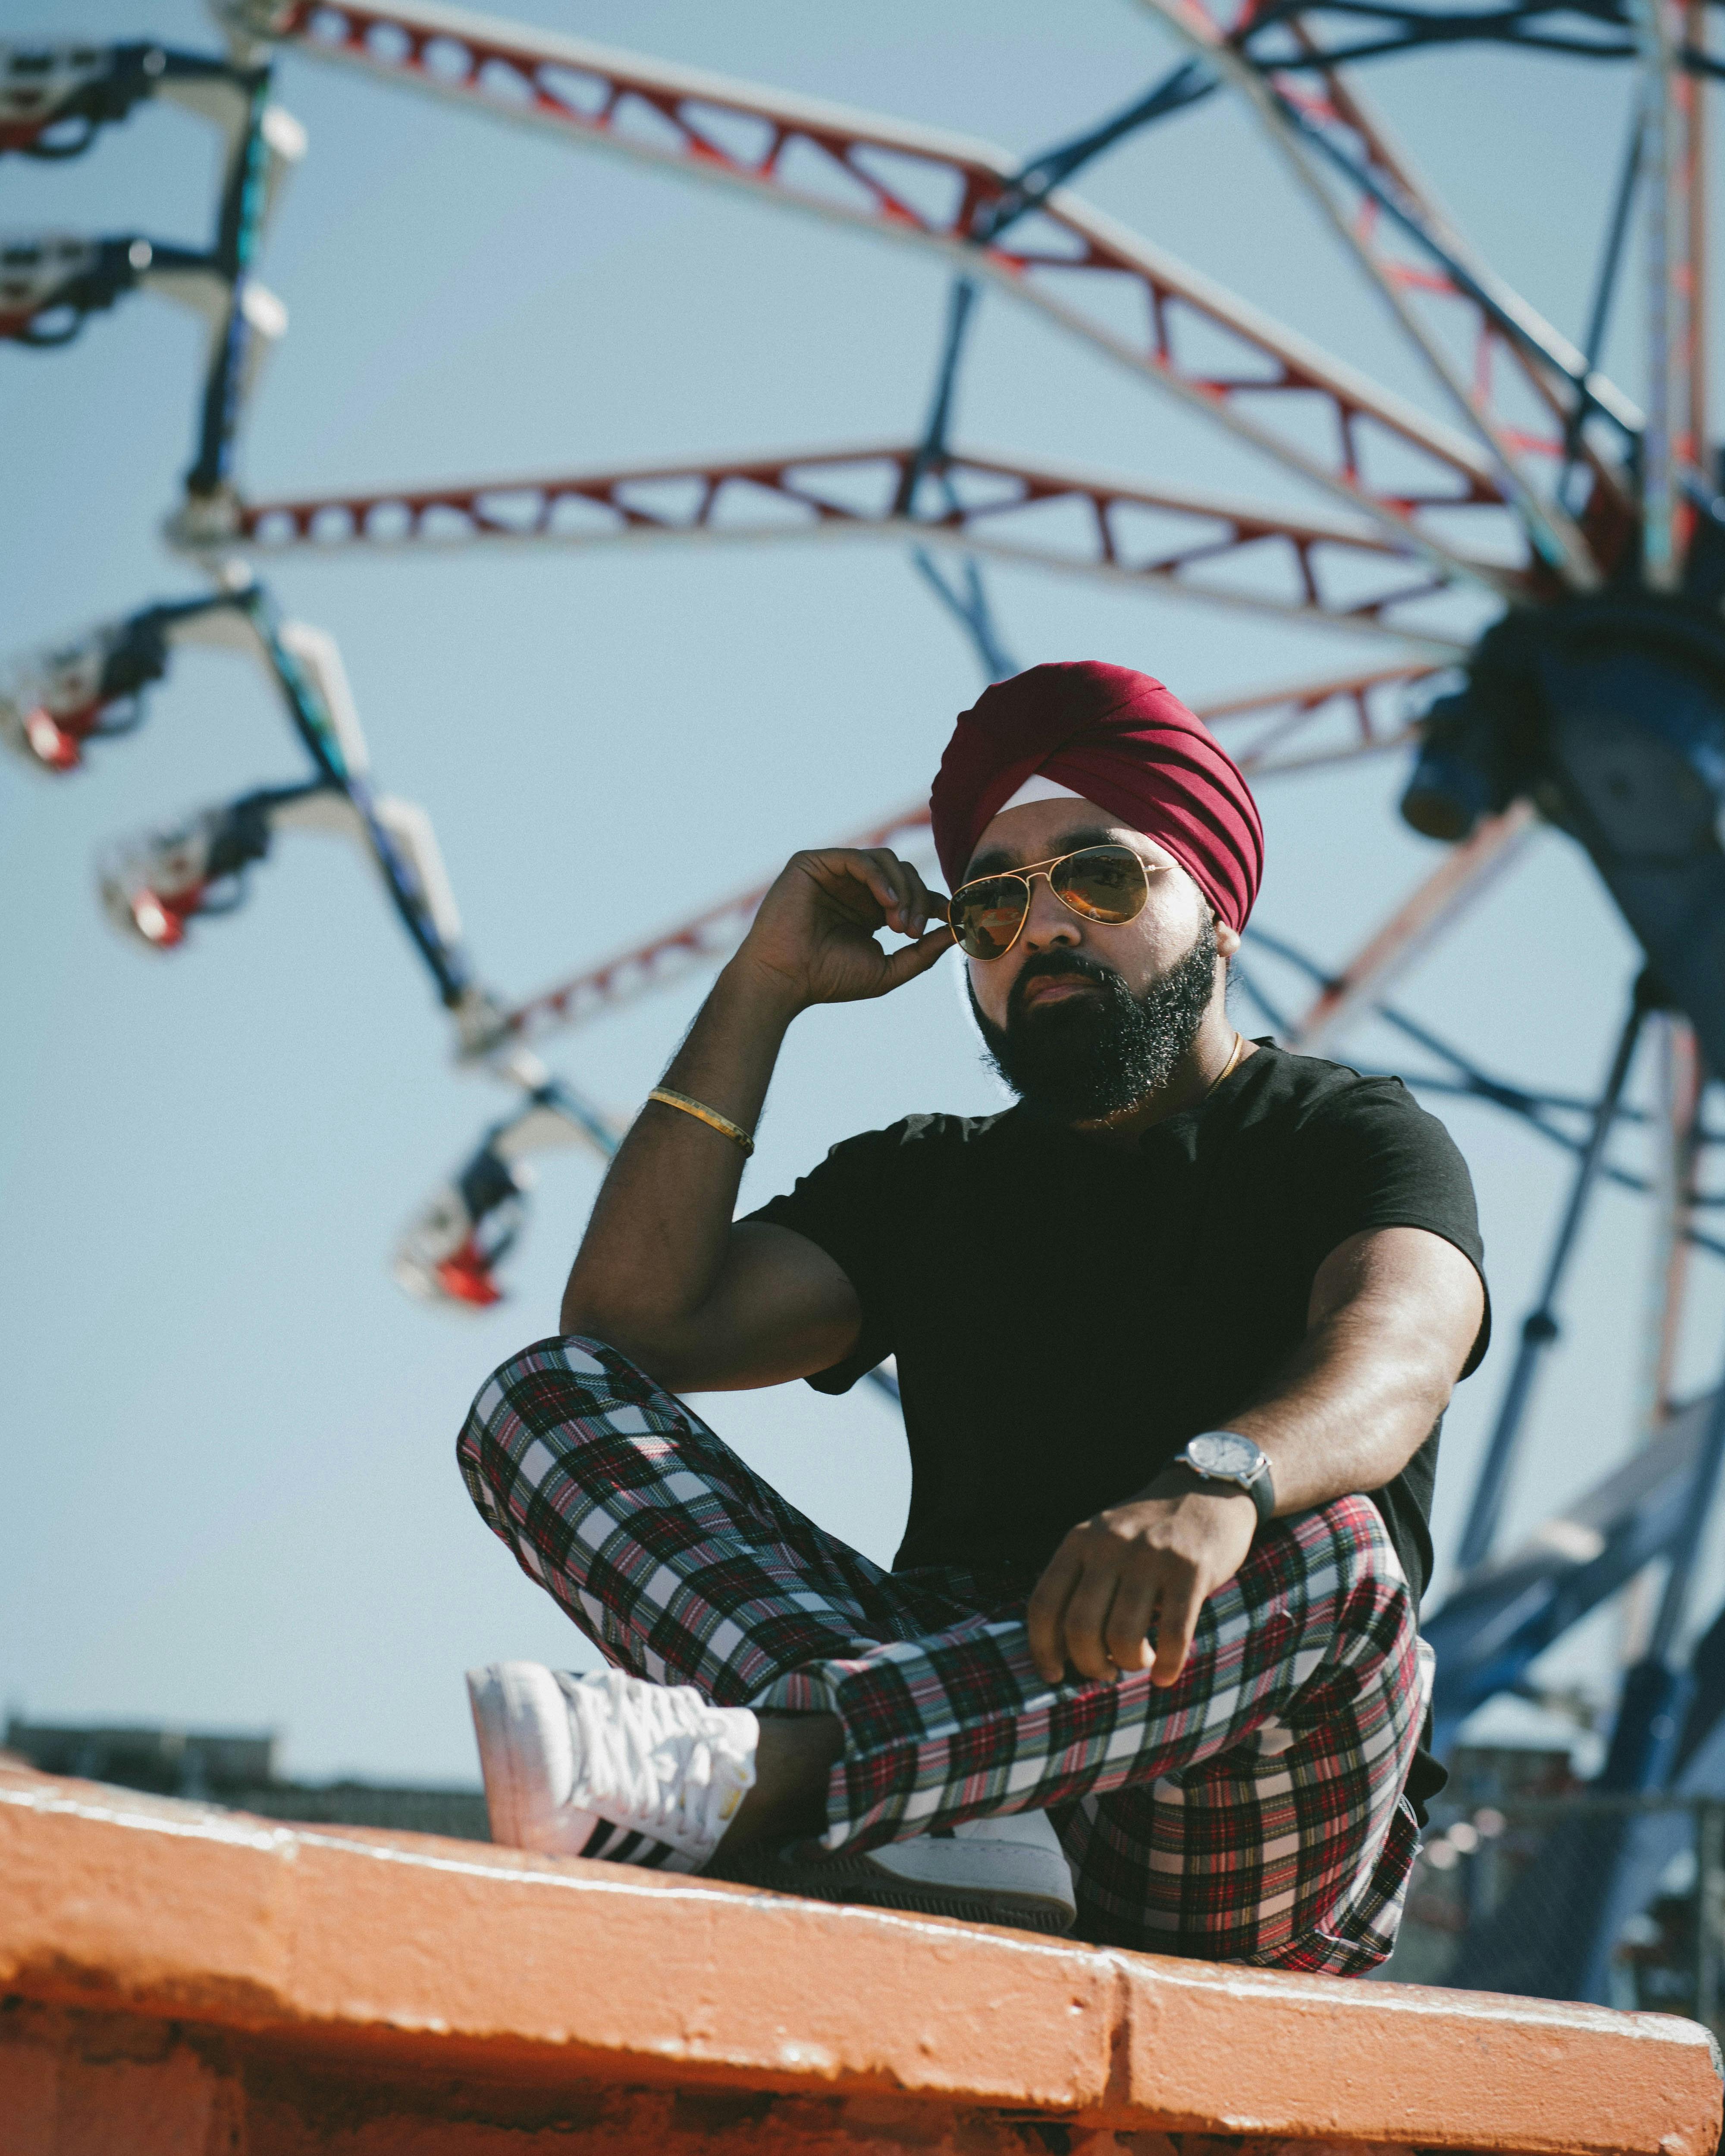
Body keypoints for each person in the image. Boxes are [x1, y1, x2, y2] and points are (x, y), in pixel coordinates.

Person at [457, 660, 1489, 1969]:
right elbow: (631, 1330)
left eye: (1100, 877)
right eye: (993, 902)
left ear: (1220, 910)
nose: (1043, 927)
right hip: (955, 1730)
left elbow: (1399, 1354)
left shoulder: (1349, 1136)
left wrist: (1219, 1484)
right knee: (541, 1404)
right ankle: (927, 1793)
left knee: (1339, 1553)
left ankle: (798, 1772)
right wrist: (764, 984)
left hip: (1227, 1802)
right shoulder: (925, 1179)